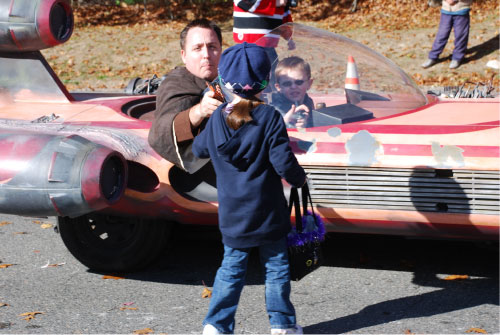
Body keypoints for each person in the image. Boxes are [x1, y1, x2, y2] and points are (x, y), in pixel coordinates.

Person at [192, 42, 306, 335]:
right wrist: (300, 179)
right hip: (268, 211)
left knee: (231, 270)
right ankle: (282, 325)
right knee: (277, 268)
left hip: (232, 212)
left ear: (226, 80)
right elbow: (284, 163)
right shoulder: (269, 117)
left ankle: (216, 325)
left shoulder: (218, 117)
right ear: (265, 80)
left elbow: (199, 148)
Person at [148, 19, 223, 173]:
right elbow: (161, 131)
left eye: (212, 47)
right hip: (198, 180)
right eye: (197, 48)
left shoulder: (232, 79)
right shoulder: (176, 84)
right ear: (184, 55)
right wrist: (199, 111)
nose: (206, 55)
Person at [421, 0, 472, 70]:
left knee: (460, 36)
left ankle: (457, 58)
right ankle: (432, 57)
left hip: (462, 9)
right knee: (441, 35)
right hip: (446, 10)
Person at [271, 56, 314, 128]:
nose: (293, 87)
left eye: (299, 82)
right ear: (279, 87)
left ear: (309, 84)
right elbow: (267, 133)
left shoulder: (308, 101)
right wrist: (285, 122)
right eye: (287, 84)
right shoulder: (274, 109)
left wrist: (306, 125)